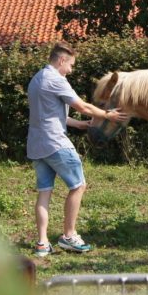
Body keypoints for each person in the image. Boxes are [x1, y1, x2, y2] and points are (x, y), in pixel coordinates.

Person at [27, 41, 128, 257]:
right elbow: (82, 106)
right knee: (78, 185)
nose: (71, 70)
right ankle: (69, 236)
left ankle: (42, 243)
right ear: (62, 60)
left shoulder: (37, 79)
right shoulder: (56, 79)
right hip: (56, 143)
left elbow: (52, 115)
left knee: (44, 193)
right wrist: (106, 115)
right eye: (71, 65)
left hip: (37, 145)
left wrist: (80, 124)